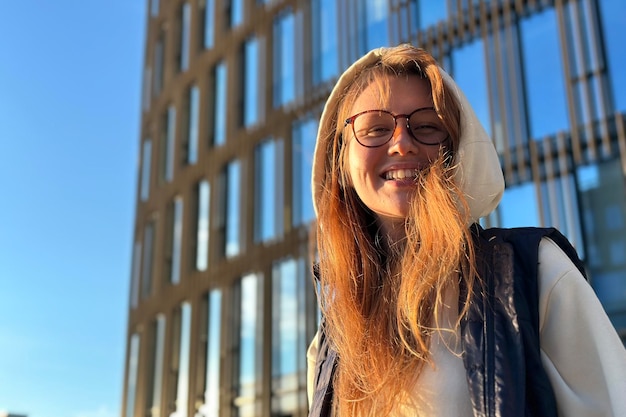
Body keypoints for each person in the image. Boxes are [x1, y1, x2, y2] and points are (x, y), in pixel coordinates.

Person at [306, 44, 626, 417]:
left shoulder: (532, 274)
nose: (401, 143)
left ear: (455, 150)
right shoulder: (332, 337)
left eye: (426, 126)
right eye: (375, 128)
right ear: (341, 160)